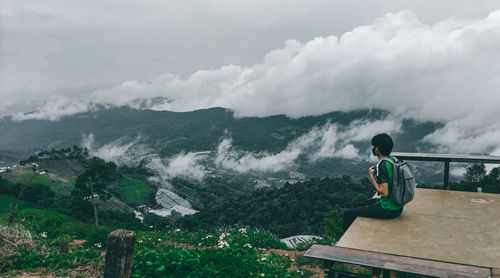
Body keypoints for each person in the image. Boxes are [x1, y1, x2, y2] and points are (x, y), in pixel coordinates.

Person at [343, 133, 404, 232]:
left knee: (348, 214)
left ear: (377, 149)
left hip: (389, 210)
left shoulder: (383, 165)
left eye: (373, 146)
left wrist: (371, 176)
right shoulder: (392, 159)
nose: (372, 148)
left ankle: (343, 245)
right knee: (360, 204)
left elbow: (384, 193)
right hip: (398, 207)